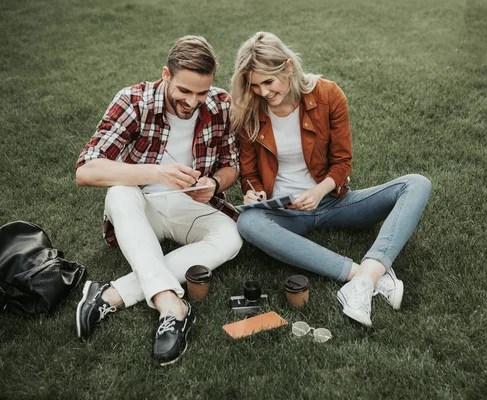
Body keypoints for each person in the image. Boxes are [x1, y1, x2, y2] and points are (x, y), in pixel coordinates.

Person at [231, 32, 431, 327]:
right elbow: (249, 174)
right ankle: (361, 277)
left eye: (268, 82)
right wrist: (254, 193)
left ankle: (369, 272)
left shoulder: (327, 95)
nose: (263, 92)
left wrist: (319, 190)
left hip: (333, 201)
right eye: (255, 85)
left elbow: (341, 163)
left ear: (287, 67)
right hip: (285, 213)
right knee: (247, 222)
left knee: (417, 184)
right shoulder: (250, 111)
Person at [75, 35, 242, 365]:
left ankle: (112, 293)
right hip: (141, 205)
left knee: (233, 237)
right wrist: (155, 173)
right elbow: (86, 170)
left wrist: (213, 182)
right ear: (166, 75)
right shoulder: (133, 100)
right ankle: (171, 305)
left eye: (201, 92)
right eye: (184, 91)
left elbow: (232, 165)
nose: (192, 101)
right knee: (119, 192)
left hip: (189, 205)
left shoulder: (221, 104)